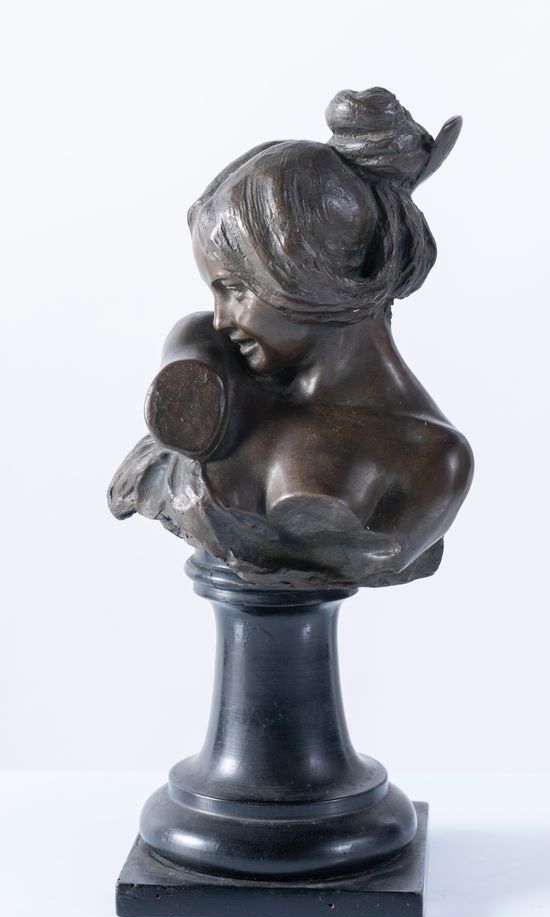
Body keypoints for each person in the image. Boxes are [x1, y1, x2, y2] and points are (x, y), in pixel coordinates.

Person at [108, 87, 473, 588]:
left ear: (312, 281)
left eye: (236, 290)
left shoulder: (432, 459)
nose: (220, 318)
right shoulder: (220, 369)